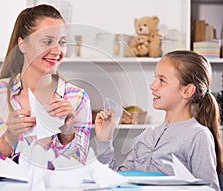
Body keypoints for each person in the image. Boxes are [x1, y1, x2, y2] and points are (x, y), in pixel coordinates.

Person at [0, 4, 92, 167]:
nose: (57, 50)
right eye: (47, 41)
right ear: (23, 45)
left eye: (62, 42)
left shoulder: (77, 98)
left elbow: (77, 170)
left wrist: (67, 133)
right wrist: (8, 138)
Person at [94, 50, 222, 190]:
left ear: (187, 91)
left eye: (162, 80)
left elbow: (210, 189)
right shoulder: (148, 134)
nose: (153, 86)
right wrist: (105, 139)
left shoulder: (198, 135)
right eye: (155, 78)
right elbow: (116, 180)